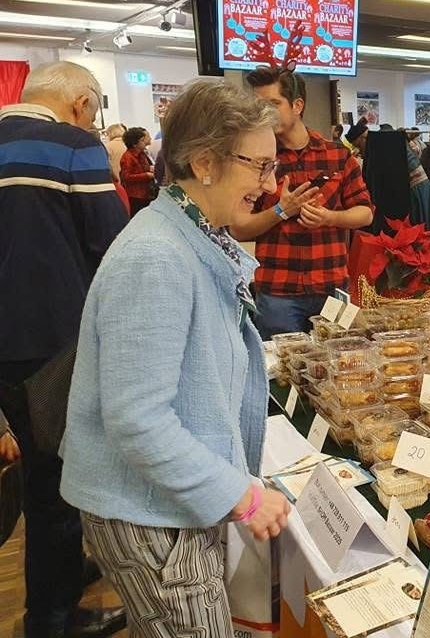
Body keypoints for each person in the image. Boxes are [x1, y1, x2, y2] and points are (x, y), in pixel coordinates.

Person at [60, 79, 292, 632]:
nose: (269, 185)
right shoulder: (156, 255)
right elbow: (138, 419)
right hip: (148, 514)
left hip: (165, 502)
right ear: (205, 163)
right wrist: (240, 496)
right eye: (260, 166)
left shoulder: (189, 232)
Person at [0, 61, 128, 638]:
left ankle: (64, 578)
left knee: (39, 476)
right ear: (82, 104)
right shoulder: (75, 146)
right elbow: (113, 247)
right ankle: (51, 620)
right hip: (52, 347)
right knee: (57, 486)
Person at [231, 67, 373, 339]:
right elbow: (238, 229)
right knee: (279, 362)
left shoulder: (337, 156)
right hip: (278, 292)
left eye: (273, 104)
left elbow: (365, 214)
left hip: (332, 286)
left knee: (339, 358)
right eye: (258, 106)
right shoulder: (253, 160)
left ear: (297, 105)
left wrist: (329, 217)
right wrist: (280, 211)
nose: (264, 113)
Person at [119, 126, 155, 215]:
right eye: (142, 140)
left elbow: (142, 168)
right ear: (135, 144)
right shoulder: (127, 157)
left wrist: (150, 169)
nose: (145, 142)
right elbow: (126, 177)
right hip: (136, 195)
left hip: (146, 192)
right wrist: (146, 175)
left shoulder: (142, 154)